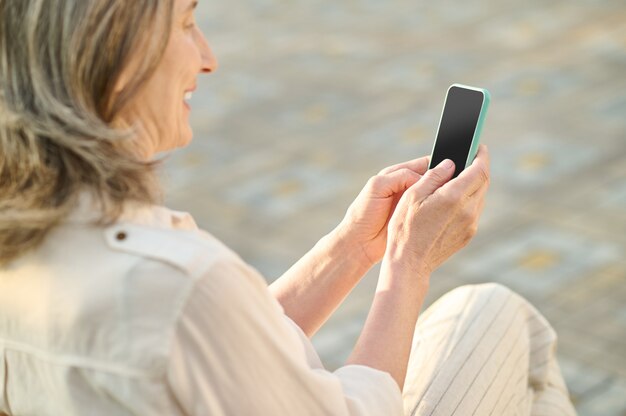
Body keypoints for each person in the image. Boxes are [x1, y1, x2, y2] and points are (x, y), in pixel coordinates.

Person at [0, 0, 577, 415]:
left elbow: (208, 350)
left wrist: (353, 247)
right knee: (497, 313)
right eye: (186, 22)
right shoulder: (181, 280)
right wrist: (408, 267)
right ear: (112, 54)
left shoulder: (26, 245)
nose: (208, 58)